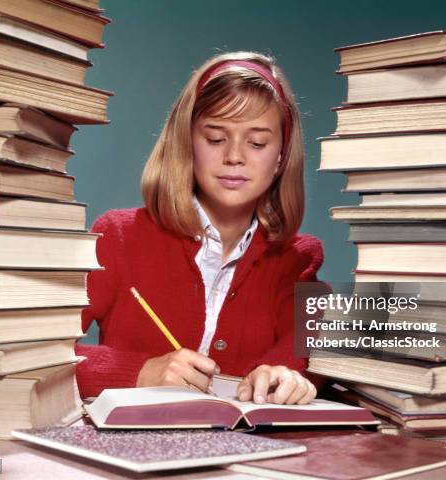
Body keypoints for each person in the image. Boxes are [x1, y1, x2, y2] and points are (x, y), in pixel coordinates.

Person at [76, 51, 324, 405]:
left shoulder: (301, 259)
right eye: (215, 138)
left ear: (281, 155)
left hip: (247, 454)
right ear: (188, 144)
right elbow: (37, 354)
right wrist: (139, 371)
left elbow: (316, 351)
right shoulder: (117, 235)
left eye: (257, 142)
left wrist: (287, 375)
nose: (234, 157)